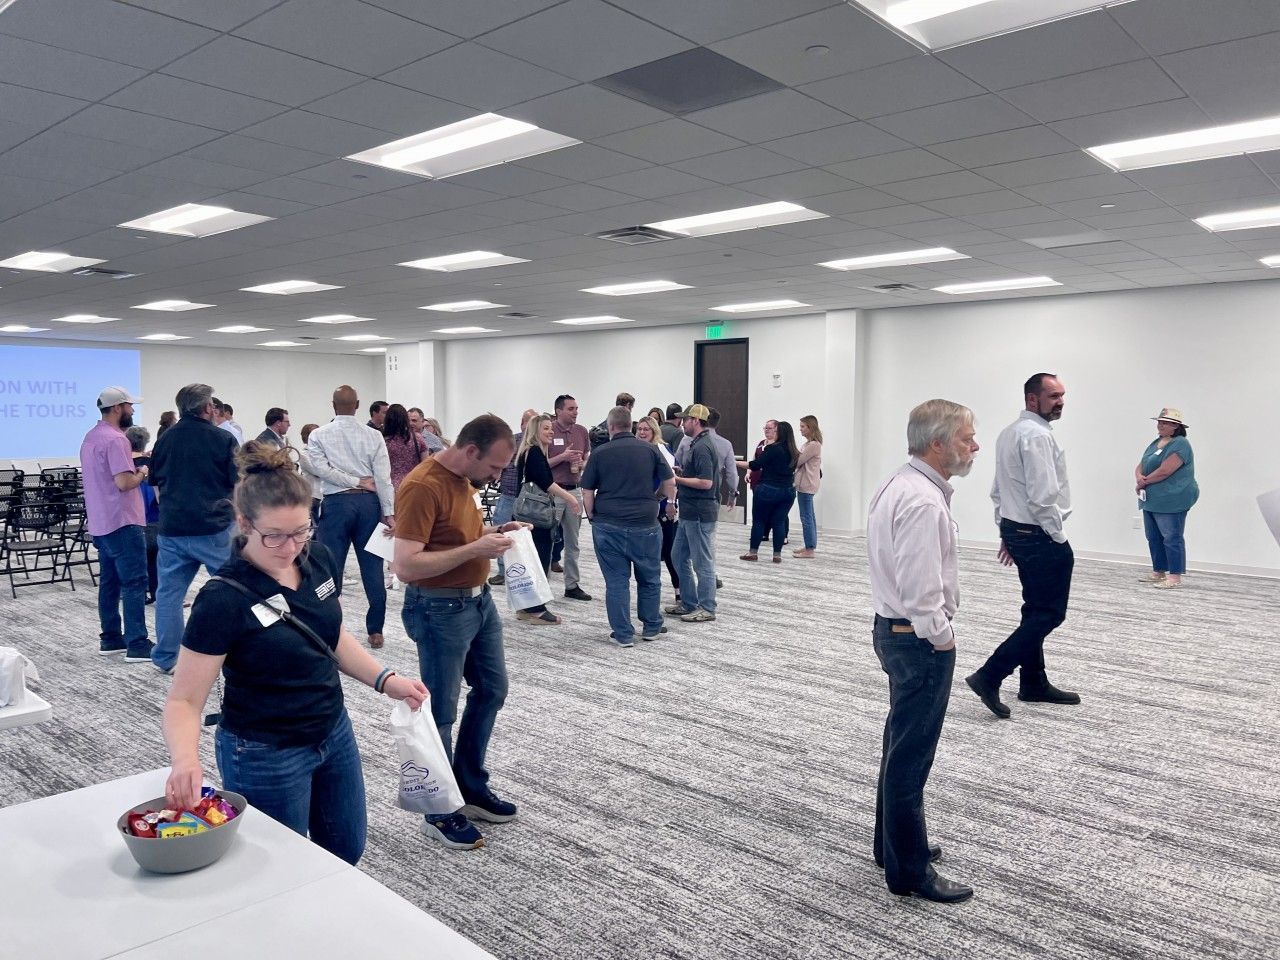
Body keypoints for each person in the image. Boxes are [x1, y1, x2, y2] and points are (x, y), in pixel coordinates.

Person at [162, 443, 428, 866]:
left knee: (345, 850)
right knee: (281, 865)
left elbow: (330, 635)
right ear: (243, 523)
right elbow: (184, 700)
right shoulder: (222, 599)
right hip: (265, 750)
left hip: (332, 729)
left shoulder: (317, 558)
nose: (289, 547)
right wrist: (185, 759)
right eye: (274, 535)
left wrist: (385, 679)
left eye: (301, 531)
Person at [393, 414, 528, 850]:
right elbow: (406, 565)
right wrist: (476, 548)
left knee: (492, 689)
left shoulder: (463, 481)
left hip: (477, 601)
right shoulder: (422, 486)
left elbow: (454, 537)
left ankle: (468, 786)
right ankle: (439, 810)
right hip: (439, 608)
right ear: (471, 451)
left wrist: (495, 532)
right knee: (440, 711)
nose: (497, 477)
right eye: (494, 467)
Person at [867, 399, 979, 904]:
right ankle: (909, 870)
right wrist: (942, 637)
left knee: (900, 743)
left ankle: (892, 846)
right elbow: (920, 592)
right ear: (937, 443)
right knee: (912, 757)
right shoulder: (922, 501)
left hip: (894, 631)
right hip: (917, 640)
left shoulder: (902, 483)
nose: (974, 446)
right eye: (966, 438)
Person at [966, 373, 1080, 720]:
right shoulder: (1037, 436)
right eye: (1053, 396)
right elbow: (1043, 497)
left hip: (1018, 529)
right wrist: (1057, 537)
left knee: (1035, 609)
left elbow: (999, 489)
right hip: (1038, 533)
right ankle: (990, 674)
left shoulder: (1009, 433)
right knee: (1049, 613)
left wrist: (1006, 530)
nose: (1060, 402)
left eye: (1062, 395)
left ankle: (1033, 681)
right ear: (1033, 399)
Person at [150, 383, 239, 675]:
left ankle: (167, 657)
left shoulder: (164, 439)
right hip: (214, 528)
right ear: (208, 408)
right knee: (236, 589)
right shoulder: (223, 439)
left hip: (172, 529)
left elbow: (156, 484)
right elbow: (238, 484)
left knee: (169, 595)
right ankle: (241, 651)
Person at [307, 385, 395, 649]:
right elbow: (383, 477)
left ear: (332, 405)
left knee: (331, 569)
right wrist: (389, 512)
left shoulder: (317, 435)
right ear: (357, 405)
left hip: (336, 504)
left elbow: (321, 470)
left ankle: (330, 628)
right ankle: (376, 630)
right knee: (373, 569)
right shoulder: (374, 435)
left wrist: (351, 481)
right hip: (369, 504)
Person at [581, 407, 675, 647]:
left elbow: (587, 491)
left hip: (608, 524)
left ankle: (623, 634)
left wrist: (591, 515)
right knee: (650, 578)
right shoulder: (651, 450)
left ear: (611, 426)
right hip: (646, 524)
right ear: (631, 425)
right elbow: (670, 482)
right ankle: (651, 627)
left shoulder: (600, 453)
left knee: (616, 582)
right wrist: (656, 497)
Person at [79, 386, 151, 661]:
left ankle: (110, 638)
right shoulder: (117, 440)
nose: (132, 411)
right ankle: (137, 644)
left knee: (109, 583)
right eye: (130, 406)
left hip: (101, 521)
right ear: (118, 407)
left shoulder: (91, 437)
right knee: (134, 582)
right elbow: (124, 482)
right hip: (123, 521)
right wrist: (142, 472)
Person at [514, 413, 582, 625]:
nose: (551, 431)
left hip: (528, 513)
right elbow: (546, 483)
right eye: (546, 428)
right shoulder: (534, 452)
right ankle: (537, 609)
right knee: (539, 559)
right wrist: (570, 498)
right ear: (535, 431)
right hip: (537, 516)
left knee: (532, 559)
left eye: (550, 428)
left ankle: (526, 606)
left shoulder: (530, 451)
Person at [667, 404, 719, 623]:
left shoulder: (702, 447)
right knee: (678, 557)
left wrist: (677, 479)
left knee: (702, 562)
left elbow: (706, 483)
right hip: (690, 512)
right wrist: (683, 473)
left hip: (699, 512)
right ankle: (689, 603)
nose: (681, 423)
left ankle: (707, 607)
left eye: (685, 419)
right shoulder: (697, 444)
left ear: (696, 421)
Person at [1136, 407, 1199, 588]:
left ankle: (1174, 576)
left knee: (1171, 537)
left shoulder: (1181, 444)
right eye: (1160, 421)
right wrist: (1139, 477)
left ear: (1176, 427)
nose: (1161, 425)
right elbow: (1141, 464)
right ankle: (1159, 571)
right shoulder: (1157, 442)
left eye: (1166, 423)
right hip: (1152, 498)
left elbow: (1165, 470)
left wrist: (1143, 482)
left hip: (1172, 498)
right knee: (1153, 536)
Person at [548, 394, 592, 602]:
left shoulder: (581, 431)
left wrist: (582, 464)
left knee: (573, 542)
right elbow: (541, 464)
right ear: (559, 411)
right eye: (571, 409)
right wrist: (562, 457)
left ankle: (572, 585)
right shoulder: (548, 431)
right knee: (546, 540)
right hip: (553, 491)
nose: (575, 412)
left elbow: (587, 457)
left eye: (576, 408)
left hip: (574, 490)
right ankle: (541, 586)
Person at [488, 408, 538, 587]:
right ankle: (503, 571)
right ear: (522, 423)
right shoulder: (512, 441)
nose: (531, 427)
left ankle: (528, 570)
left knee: (528, 534)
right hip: (509, 494)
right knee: (502, 529)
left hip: (530, 498)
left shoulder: (537, 446)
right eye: (529, 423)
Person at [740, 421, 799, 563]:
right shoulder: (794, 452)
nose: (771, 432)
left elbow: (755, 465)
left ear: (780, 433)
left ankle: (753, 553)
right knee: (779, 522)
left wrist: (732, 462)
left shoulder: (772, 449)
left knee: (759, 521)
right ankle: (777, 555)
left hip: (768, 489)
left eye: (775, 430)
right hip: (788, 491)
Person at [637, 416, 680, 602]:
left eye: (646, 429)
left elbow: (671, 479)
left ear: (654, 431)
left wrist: (670, 502)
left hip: (663, 507)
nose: (642, 432)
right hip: (645, 509)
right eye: (639, 429)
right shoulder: (637, 449)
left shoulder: (660, 449)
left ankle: (679, 592)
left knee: (670, 553)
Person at [125, 425, 160, 604]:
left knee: (135, 560)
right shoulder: (153, 464)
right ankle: (156, 591)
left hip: (132, 519)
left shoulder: (124, 465)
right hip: (154, 517)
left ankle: (140, 592)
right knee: (155, 558)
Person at [794, 415, 824, 558]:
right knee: (809, 516)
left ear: (810, 427)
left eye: (803, 426)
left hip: (807, 484)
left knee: (806, 517)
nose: (800, 429)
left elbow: (798, 461)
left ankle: (810, 549)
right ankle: (809, 545)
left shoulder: (813, 445)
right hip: (805, 484)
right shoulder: (808, 444)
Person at [383, 403, 428, 490]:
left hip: (390, 486)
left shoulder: (383, 441)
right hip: (413, 484)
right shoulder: (418, 438)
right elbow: (426, 464)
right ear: (405, 419)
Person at [298, 423, 322, 524]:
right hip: (313, 494)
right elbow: (318, 472)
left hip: (324, 494)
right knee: (314, 525)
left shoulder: (322, 451)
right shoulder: (303, 454)